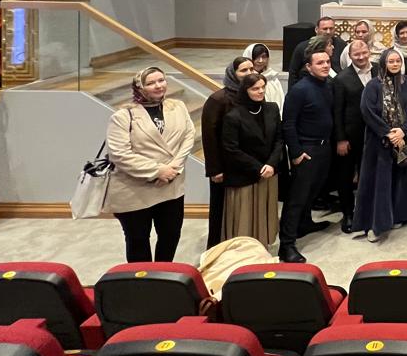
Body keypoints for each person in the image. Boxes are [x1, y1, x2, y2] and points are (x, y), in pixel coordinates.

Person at [105, 67, 196, 262]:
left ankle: (163, 274)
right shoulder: (123, 116)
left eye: (161, 80)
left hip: (171, 187)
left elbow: (189, 136)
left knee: (170, 236)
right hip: (135, 189)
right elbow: (119, 154)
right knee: (138, 241)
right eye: (151, 83)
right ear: (139, 87)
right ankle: (141, 278)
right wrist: (158, 171)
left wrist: (173, 169)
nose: (158, 86)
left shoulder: (178, 106)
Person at [352, 49, 407, 241]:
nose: (395, 64)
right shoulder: (373, 85)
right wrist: (389, 133)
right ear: (383, 63)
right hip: (379, 142)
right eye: (391, 61)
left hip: (402, 141)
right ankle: (375, 226)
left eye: (398, 61)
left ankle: (397, 216)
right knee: (379, 183)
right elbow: (367, 111)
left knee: (400, 179)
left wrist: (403, 131)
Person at [279, 46, 337, 262]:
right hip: (306, 150)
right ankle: (286, 245)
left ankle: (305, 224)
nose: (325, 66)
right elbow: (288, 123)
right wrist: (296, 152)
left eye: (327, 62)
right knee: (297, 198)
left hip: (324, 147)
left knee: (313, 191)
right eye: (320, 63)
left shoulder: (327, 85)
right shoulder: (299, 90)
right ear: (308, 66)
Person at [220, 72, 282, 246]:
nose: (260, 91)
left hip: (269, 172)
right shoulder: (233, 116)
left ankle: (262, 247)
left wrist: (271, 164)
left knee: (265, 213)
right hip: (245, 175)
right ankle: (243, 250)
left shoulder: (272, 108)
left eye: (263, 87)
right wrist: (259, 167)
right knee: (245, 217)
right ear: (245, 90)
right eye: (255, 88)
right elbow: (231, 149)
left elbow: (279, 139)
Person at [200, 55, 253, 248]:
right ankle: (215, 248)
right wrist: (215, 169)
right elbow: (209, 136)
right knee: (220, 209)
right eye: (243, 70)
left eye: (251, 69)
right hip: (224, 165)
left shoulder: (251, 95)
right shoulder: (218, 99)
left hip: (244, 163)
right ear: (233, 73)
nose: (249, 73)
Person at [331, 39, 373, 233]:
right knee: (346, 176)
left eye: (364, 53)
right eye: (356, 54)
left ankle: (368, 211)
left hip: (373, 134)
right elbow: (337, 111)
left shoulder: (379, 70)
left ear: (369, 51)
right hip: (350, 136)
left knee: (369, 173)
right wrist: (340, 139)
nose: (361, 57)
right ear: (350, 56)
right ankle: (348, 213)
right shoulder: (341, 79)